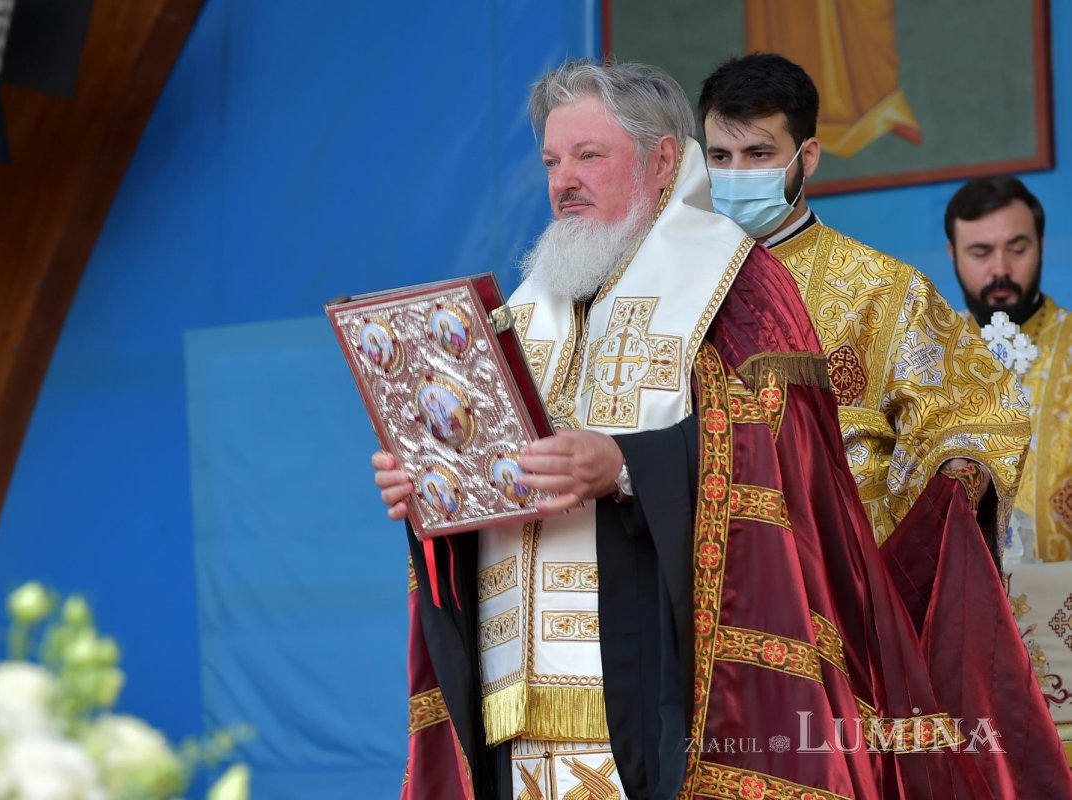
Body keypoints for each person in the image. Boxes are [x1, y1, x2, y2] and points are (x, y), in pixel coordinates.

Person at [374, 59, 1068, 799]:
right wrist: (434, 485)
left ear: (664, 159)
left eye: (588, 156)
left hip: (671, 685)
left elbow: (787, 456)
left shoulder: (739, 282)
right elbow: (502, 478)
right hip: (522, 698)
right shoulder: (531, 301)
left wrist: (626, 466)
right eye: (551, 160)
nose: (563, 180)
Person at [698, 52, 1031, 550]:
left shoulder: (885, 288)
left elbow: (978, 414)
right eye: (720, 157)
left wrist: (958, 470)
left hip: (849, 567)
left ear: (806, 157)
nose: (736, 173)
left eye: (759, 154)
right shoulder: (684, 286)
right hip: (718, 559)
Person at [946, 176, 1072, 564]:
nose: (1000, 269)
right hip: (965, 606)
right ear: (953, 254)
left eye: (1017, 249)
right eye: (980, 252)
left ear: (1041, 246)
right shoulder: (930, 362)